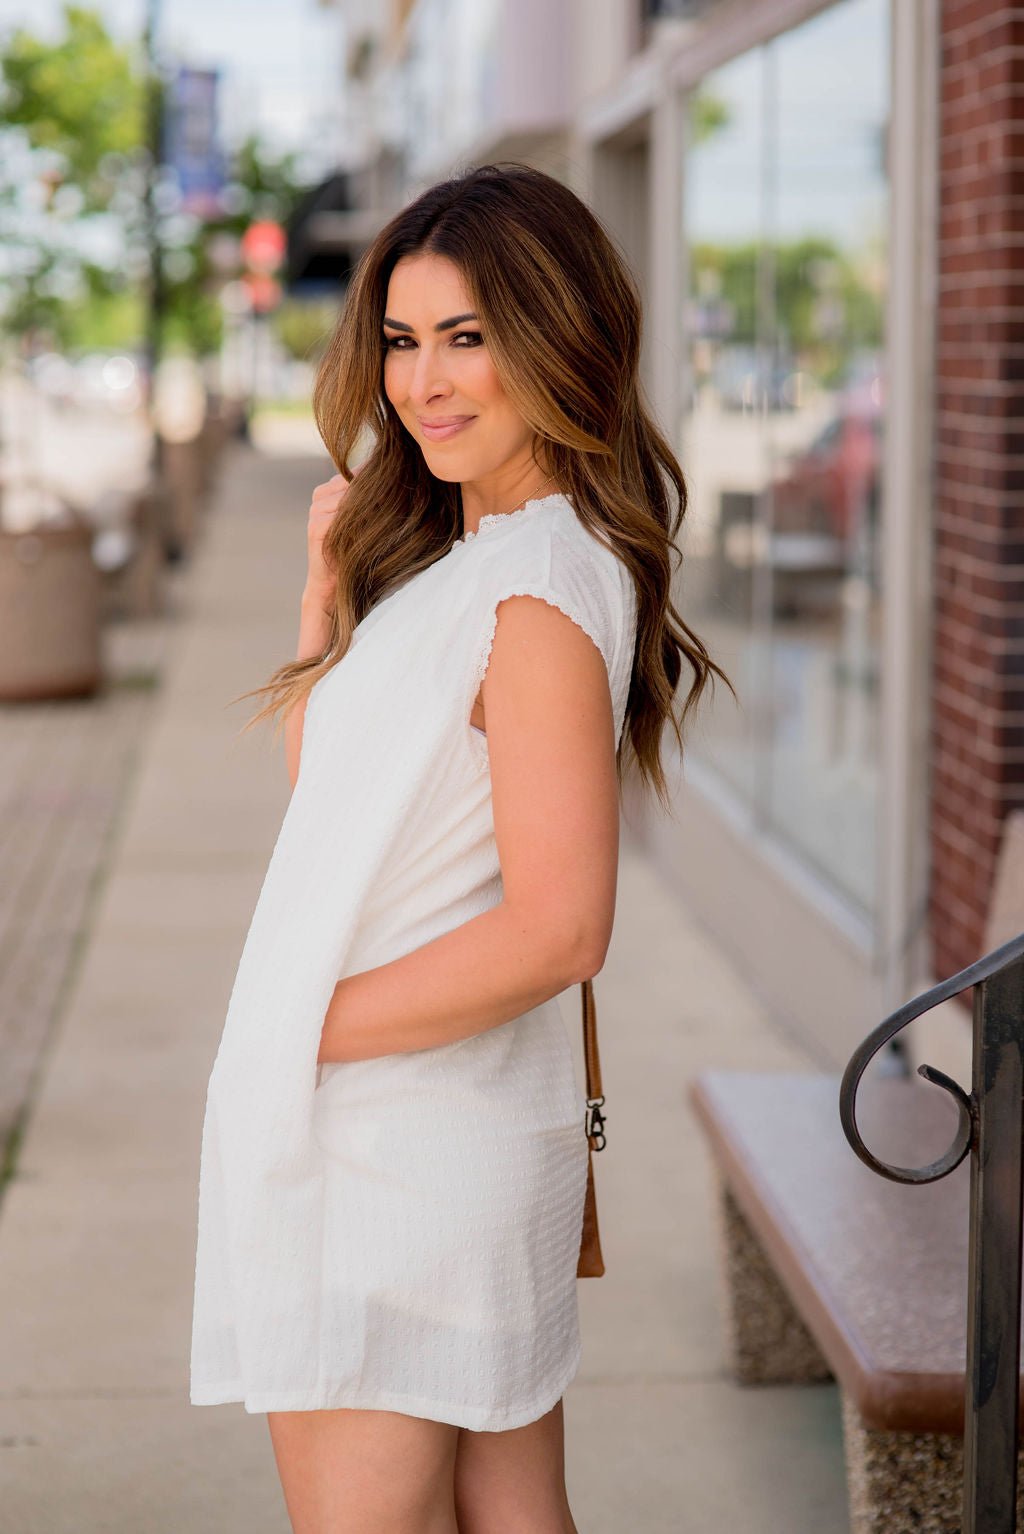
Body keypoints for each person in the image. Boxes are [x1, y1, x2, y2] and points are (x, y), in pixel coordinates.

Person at [189, 161, 734, 1534]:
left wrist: (304, 1028)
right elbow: (335, 793)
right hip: (439, 1142)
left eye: (466, 338)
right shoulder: (490, 561)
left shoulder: (533, 594)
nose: (422, 383)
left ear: (558, 339)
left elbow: (562, 927)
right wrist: (326, 593)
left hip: (398, 1161)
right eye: (401, 340)